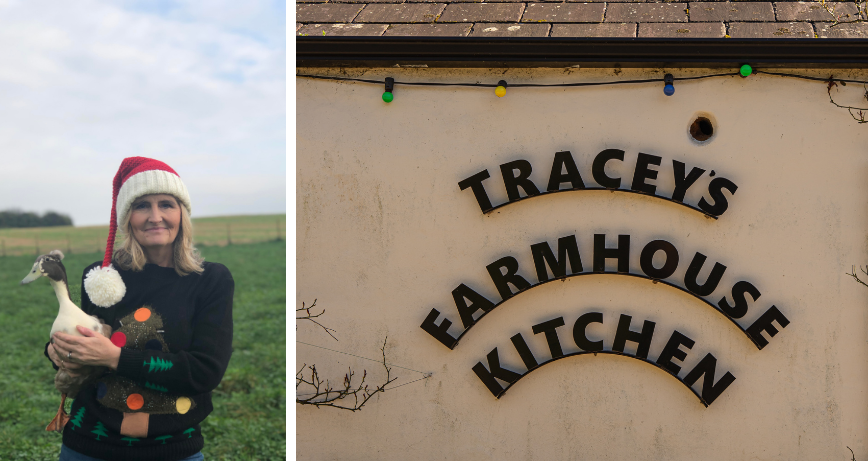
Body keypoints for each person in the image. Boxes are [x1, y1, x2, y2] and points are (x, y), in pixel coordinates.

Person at [44, 157, 234, 461]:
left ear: (182, 214)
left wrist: (114, 357)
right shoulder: (102, 277)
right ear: (126, 217)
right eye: (141, 205)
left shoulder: (211, 280)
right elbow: (89, 342)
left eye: (166, 204)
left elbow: (204, 372)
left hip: (173, 449)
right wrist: (60, 352)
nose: (155, 216)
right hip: (89, 446)